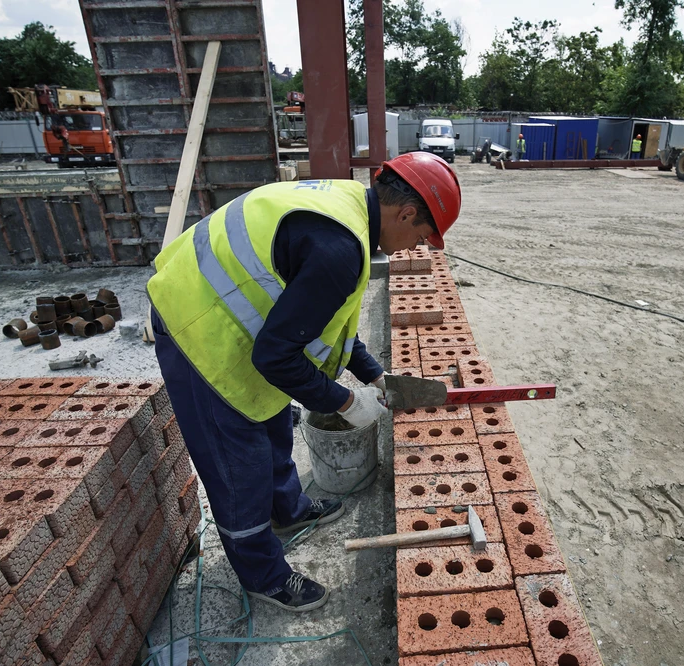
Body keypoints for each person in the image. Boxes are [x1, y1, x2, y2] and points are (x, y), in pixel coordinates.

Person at [146, 152, 462, 613]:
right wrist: (345, 402)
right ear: (406, 212)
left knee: (272, 413)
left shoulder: (353, 209)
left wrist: (375, 373)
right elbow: (276, 356)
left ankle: (288, 510)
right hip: (196, 324)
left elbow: (326, 320)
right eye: (419, 237)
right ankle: (263, 577)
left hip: (230, 310)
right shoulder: (339, 249)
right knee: (240, 465)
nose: (414, 247)